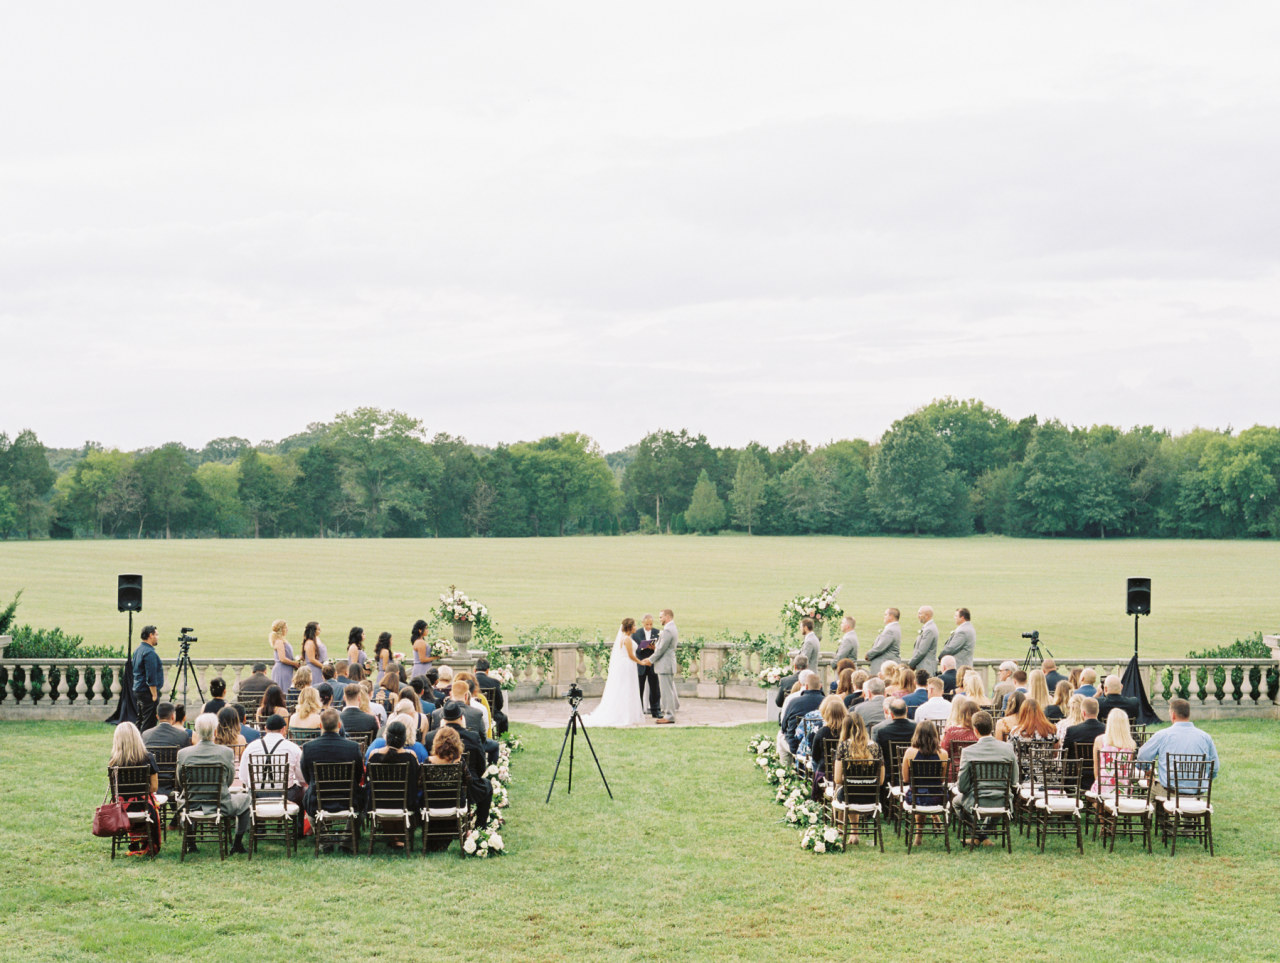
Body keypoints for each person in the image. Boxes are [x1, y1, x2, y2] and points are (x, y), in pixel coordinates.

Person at [176, 712, 250, 855]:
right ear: (215, 731)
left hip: (191, 803)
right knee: (246, 799)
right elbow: (229, 781)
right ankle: (237, 843)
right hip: (221, 804)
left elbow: (181, 781)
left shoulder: (183, 753)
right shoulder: (226, 752)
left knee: (184, 798)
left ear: (196, 732)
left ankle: (191, 843)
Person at [424, 702, 493, 828]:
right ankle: (480, 825)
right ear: (461, 718)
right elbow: (481, 765)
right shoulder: (473, 737)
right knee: (487, 786)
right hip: (467, 788)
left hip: (436, 789)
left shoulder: (430, 737)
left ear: (442, 719)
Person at [954, 710, 1018, 845]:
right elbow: (1014, 780)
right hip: (1002, 800)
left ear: (975, 730)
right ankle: (983, 836)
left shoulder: (968, 752)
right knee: (1001, 800)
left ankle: (978, 835)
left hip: (977, 800)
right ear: (992, 728)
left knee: (956, 802)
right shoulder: (1008, 749)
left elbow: (962, 786)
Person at [1137, 698, 1220, 798]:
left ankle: (1154, 812)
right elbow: (1215, 767)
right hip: (1197, 793)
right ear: (1188, 714)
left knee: (1152, 790)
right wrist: (1203, 780)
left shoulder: (1162, 735)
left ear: (1173, 715)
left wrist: (1146, 770)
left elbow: (1142, 757)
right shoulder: (1205, 737)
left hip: (1170, 792)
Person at [299, 708, 365, 829]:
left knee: (308, 794)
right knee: (363, 797)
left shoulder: (308, 748)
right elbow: (358, 775)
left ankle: (324, 838)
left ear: (320, 725)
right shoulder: (353, 747)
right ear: (339, 725)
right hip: (348, 799)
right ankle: (347, 839)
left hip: (317, 800)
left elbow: (307, 776)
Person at [108, 721, 161, 854]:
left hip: (121, 807)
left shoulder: (113, 761)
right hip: (143, 806)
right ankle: (144, 841)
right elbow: (154, 787)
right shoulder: (147, 758)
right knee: (153, 802)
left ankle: (134, 840)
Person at [831, 713, 883, 843]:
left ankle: (841, 829)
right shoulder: (875, 747)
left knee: (842, 790)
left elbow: (837, 779)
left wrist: (850, 779)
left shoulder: (843, 746)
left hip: (850, 795)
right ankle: (853, 833)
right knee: (853, 788)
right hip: (871, 795)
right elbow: (881, 780)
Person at [238, 714, 305, 807]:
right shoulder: (293, 748)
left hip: (256, 795)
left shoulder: (251, 747)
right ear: (283, 729)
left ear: (265, 729)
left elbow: (243, 777)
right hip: (286, 795)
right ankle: (298, 821)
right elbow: (302, 778)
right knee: (303, 791)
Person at [901, 720, 948, 844]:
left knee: (918, 793)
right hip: (937, 797)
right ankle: (934, 816)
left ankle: (918, 835)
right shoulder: (943, 754)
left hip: (916, 797)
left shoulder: (910, 752)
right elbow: (942, 779)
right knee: (925, 793)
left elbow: (905, 779)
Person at [367, 721, 420, 831]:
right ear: (404, 738)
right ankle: (397, 836)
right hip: (405, 803)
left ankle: (394, 835)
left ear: (386, 737)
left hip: (379, 803)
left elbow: (369, 779)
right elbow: (416, 779)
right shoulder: (410, 756)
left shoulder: (374, 755)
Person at [777, 671, 824, 766]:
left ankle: (785, 769)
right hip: (821, 748)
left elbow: (783, 726)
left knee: (780, 736)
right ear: (820, 686)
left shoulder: (793, 702)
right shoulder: (827, 701)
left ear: (806, 686)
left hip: (797, 746)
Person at [808, 695, 847, 798]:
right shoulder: (848, 731)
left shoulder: (821, 732)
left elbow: (814, 755)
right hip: (846, 772)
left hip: (826, 772)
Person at [1092, 708, 1138, 795]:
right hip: (1123, 788)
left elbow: (1096, 768)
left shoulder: (1099, 740)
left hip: (1103, 785)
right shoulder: (1131, 744)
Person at [131, 625, 165, 732]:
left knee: (140, 719)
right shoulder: (149, 653)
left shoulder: (138, 650)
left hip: (138, 690)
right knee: (149, 723)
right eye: (156, 635)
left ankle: (136, 743)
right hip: (147, 692)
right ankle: (145, 745)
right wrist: (154, 694)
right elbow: (151, 676)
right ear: (151, 635)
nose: (157, 637)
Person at [1061, 696, 1104, 781]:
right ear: (1097, 712)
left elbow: (1064, 756)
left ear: (1083, 713)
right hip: (1100, 774)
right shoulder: (1106, 730)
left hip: (1076, 776)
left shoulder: (1072, 730)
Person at [649, 609, 680, 724]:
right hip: (667, 665)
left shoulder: (668, 630)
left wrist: (650, 660)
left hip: (665, 665)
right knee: (668, 691)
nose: (660, 619)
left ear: (667, 617)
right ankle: (668, 714)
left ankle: (669, 716)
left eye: (661, 617)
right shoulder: (671, 628)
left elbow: (662, 649)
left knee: (667, 692)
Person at [632, 614, 662, 719]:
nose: (649, 626)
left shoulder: (657, 633)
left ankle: (656, 710)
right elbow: (633, 648)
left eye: (651, 624)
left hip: (652, 664)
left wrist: (654, 648)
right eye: (647, 624)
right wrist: (642, 647)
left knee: (655, 688)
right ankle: (638, 711)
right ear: (643, 623)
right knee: (639, 688)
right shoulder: (636, 633)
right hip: (641, 664)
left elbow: (661, 648)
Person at [871, 698, 917, 763]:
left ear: (891, 714)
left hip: (888, 769)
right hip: (911, 767)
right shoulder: (917, 727)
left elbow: (876, 754)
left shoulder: (878, 729)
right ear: (906, 710)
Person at [474, 658, 508, 735]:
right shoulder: (494, 682)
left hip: (472, 710)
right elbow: (500, 703)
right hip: (492, 713)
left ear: (475, 670)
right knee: (504, 718)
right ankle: (502, 741)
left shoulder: (469, 681)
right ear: (487, 670)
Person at [214, 706, 248, 785]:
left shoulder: (215, 739)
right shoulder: (241, 739)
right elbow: (243, 762)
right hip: (236, 778)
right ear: (236, 721)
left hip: (219, 780)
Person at [865, 608, 902, 675]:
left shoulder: (890, 630)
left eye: (885, 615)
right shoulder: (895, 627)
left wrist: (868, 655)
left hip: (884, 665)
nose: (884, 617)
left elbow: (880, 648)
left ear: (891, 616)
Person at [269, 619, 301, 692]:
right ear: (281, 629)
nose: (287, 630)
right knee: (283, 690)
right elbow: (282, 659)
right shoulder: (279, 642)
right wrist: (294, 663)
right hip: (282, 670)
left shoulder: (282, 640)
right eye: (285, 628)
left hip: (287, 669)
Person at [907, 606, 939, 676]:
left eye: (920, 614)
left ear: (927, 616)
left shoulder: (929, 629)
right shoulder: (927, 627)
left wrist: (910, 665)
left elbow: (922, 651)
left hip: (926, 668)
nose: (918, 616)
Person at [302, 621, 327, 687]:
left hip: (319, 668)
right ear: (313, 631)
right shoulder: (310, 642)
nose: (320, 630)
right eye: (318, 629)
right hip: (314, 670)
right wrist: (324, 667)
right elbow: (311, 659)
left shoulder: (317, 639)